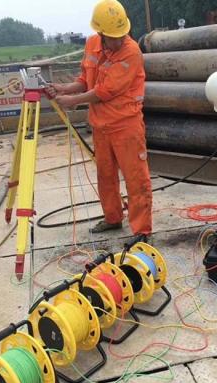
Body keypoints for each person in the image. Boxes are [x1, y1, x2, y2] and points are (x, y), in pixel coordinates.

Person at [47, 0, 152, 235]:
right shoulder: (93, 44)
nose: (117, 41)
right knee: (105, 176)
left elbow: (105, 91)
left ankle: (142, 231)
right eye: (112, 37)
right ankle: (112, 217)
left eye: (121, 35)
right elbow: (86, 80)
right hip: (101, 125)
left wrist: (72, 101)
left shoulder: (131, 52)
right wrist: (64, 89)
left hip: (126, 125)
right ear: (100, 33)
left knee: (136, 180)